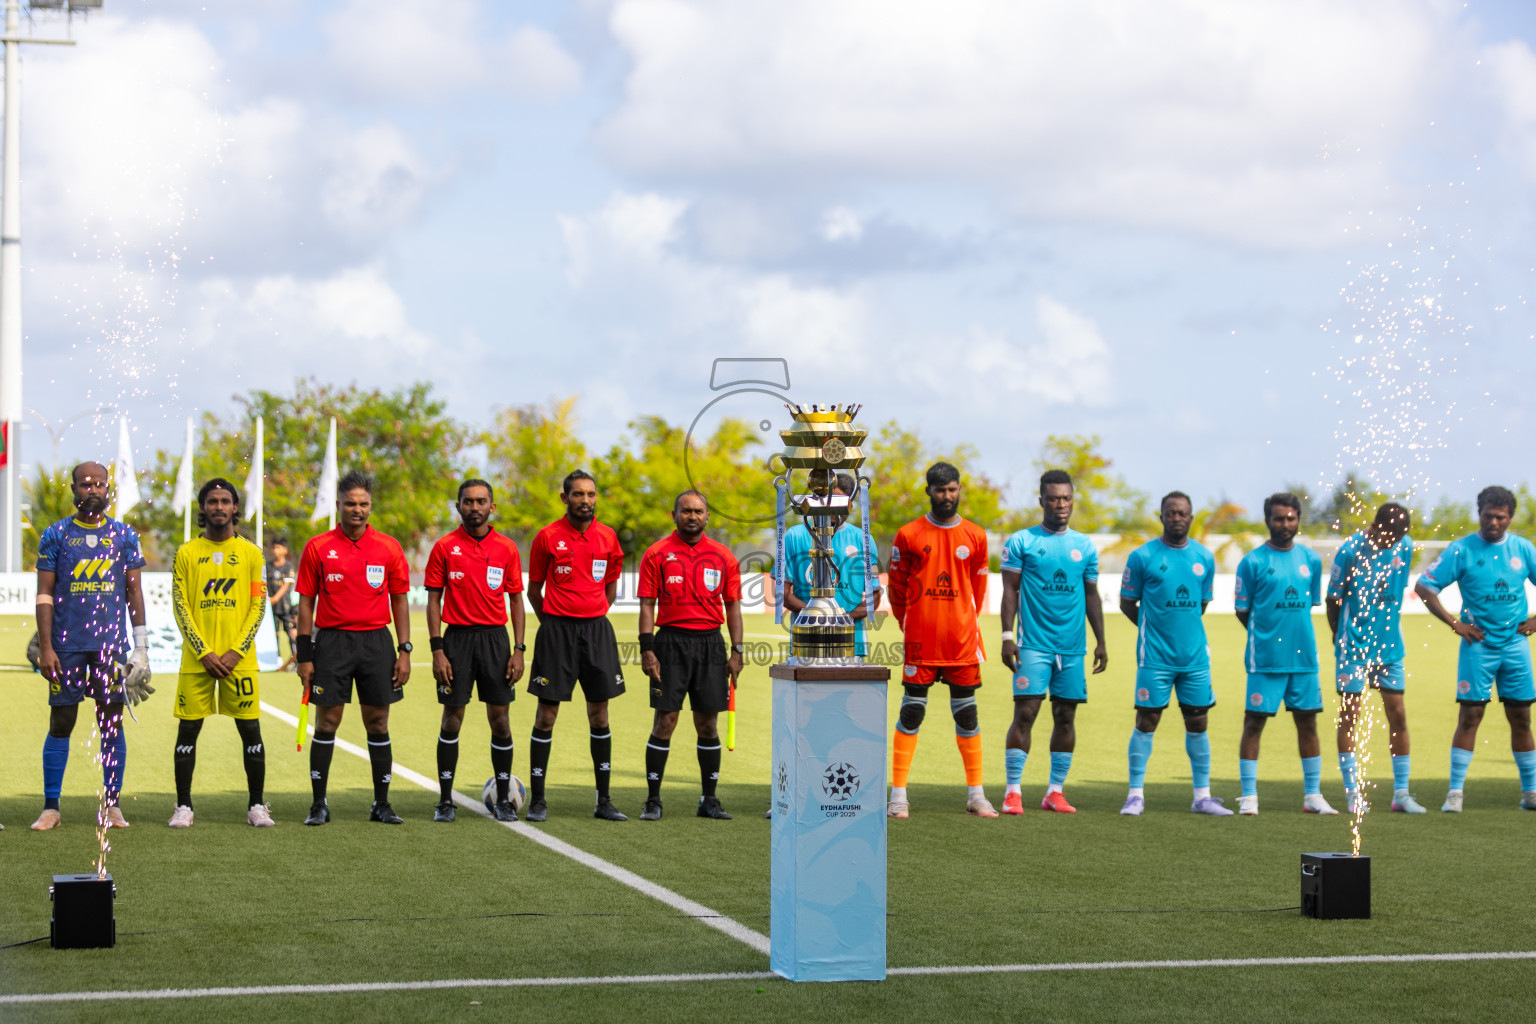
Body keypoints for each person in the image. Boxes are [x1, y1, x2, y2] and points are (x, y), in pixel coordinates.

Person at [30, 461, 152, 831]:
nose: (93, 490)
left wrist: (141, 647)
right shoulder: (56, 534)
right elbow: (44, 594)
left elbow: (134, 592)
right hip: (66, 646)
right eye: (85, 484)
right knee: (61, 721)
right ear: (73, 490)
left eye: (99, 484)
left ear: (107, 489)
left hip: (109, 647)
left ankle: (112, 806)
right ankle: (51, 807)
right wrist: (46, 647)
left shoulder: (124, 535)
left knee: (111, 723)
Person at [294, 470, 412, 825]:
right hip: (332, 642)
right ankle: (318, 804)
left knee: (377, 722)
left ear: (370, 506)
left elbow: (400, 600)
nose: (357, 510)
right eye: (350, 504)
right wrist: (304, 655)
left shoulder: (388, 547)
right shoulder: (318, 547)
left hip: (377, 642)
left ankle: (381, 804)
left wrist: (405, 650)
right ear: (338, 505)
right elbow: (305, 603)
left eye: (363, 504)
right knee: (328, 721)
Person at [1414, 485, 1536, 812]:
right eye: (1488, 515)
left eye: (1501, 517)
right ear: (1479, 513)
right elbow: (1424, 587)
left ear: (1510, 518)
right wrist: (1455, 623)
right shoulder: (1461, 550)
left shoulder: (1523, 549)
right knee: (1470, 716)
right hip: (1478, 646)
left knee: (1522, 718)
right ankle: (1455, 793)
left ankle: (1531, 793)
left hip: (1515, 646)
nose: (1493, 522)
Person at [885, 462, 994, 819]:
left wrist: (960, 619)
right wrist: (909, 623)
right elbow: (897, 588)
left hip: (961, 643)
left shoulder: (976, 536)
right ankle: (898, 796)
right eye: (940, 490)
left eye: (952, 489)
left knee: (967, 715)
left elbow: (977, 591)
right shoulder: (908, 534)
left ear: (959, 489)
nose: (947, 496)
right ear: (928, 491)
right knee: (911, 712)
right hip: (921, 642)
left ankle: (976, 795)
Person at [167, 479, 273, 828]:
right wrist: (203, 652)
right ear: (203, 508)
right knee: (188, 730)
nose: (218, 507)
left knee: (250, 730)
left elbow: (258, 606)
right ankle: (184, 806)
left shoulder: (252, 553)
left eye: (225, 501)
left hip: (239, 661)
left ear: (235, 507)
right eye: (212, 501)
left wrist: (236, 651)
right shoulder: (186, 553)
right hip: (197, 661)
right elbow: (181, 607)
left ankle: (256, 806)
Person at [1000, 470, 1106, 815]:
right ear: (1041, 501)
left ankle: (1054, 792)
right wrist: (1007, 636)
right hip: (1033, 645)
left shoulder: (1084, 546)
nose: (1061, 504)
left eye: (1067, 498)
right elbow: (1010, 591)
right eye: (1054, 498)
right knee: (1026, 713)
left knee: (1065, 716)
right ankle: (1013, 792)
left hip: (1072, 648)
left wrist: (1101, 641)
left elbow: (1091, 595)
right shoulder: (1023, 541)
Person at [1116, 491, 1229, 816]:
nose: (1176, 518)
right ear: (1161, 516)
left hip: (1194, 660)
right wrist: (1152, 628)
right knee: (1147, 720)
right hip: (1155, 658)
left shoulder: (1204, 557)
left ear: (1190, 517)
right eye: (1170, 513)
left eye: (1182, 513)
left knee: (1198, 722)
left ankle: (1202, 798)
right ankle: (1135, 796)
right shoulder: (1142, 556)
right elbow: (1127, 603)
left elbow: (1201, 605)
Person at [526, 471, 629, 822]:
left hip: (597, 632)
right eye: (578, 494)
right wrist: (554, 624)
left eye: (590, 494)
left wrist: (592, 614)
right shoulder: (547, 537)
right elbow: (534, 591)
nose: (585, 500)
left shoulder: (608, 537)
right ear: (565, 498)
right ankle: (538, 800)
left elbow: (610, 587)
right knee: (546, 715)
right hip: (556, 632)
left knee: (599, 715)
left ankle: (604, 801)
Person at [636, 490, 744, 821]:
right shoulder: (657, 553)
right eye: (686, 511)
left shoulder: (723, 556)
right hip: (670, 644)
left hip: (711, 644)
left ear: (707, 516)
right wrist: (647, 649)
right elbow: (647, 604)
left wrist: (737, 650)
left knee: (707, 724)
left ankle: (709, 800)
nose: (692, 516)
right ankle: (653, 800)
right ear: (674, 515)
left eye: (698, 511)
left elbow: (733, 606)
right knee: (665, 721)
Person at [425, 479, 527, 823]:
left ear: (491, 507)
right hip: (456, 641)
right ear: (458, 507)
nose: (474, 507)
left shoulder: (507, 548)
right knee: (452, 718)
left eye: (481, 501)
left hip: (496, 641)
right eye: (468, 501)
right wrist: (437, 650)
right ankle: (445, 801)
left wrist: (518, 649)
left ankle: (503, 800)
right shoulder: (444, 547)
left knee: (500, 719)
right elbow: (434, 599)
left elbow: (516, 600)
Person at [1234, 493, 1335, 816]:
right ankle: (1249, 796)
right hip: (1265, 660)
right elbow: (1242, 611)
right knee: (1254, 724)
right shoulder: (1252, 562)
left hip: (1304, 660)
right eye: (1279, 518)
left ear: (1298, 520)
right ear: (1268, 520)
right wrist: (1264, 635)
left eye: (1291, 518)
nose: (1285, 524)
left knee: (1308, 724)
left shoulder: (1311, 560)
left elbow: (1310, 605)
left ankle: (1313, 796)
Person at [1328, 502, 1424, 814]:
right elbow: (1333, 599)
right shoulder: (1350, 551)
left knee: (1398, 715)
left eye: (1398, 536)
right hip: (1354, 649)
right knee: (1350, 716)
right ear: (1376, 526)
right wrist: (1338, 635)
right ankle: (1352, 794)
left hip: (1389, 648)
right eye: (1389, 536)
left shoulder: (1404, 546)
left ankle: (1401, 794)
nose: (1393, 542)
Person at [782, 471, 882, 658]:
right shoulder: (795, 535)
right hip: (807, 643)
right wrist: (818, 619)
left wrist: (842, 621)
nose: (831, 506)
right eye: (828, 499)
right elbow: (783, 593)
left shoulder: (863, 539)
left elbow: (874, 598)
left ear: (850, 503)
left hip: (851, 644)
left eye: (838, 501)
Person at [267, 536, 300, 672]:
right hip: (271, 608)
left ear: (285, 550)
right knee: (274, 634)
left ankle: (295, 659)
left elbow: (286, 587)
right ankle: (277, 660)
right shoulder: (268, 566)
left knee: (291, 633)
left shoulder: (288, 567)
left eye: (279, 548)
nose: (276, 550)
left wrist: (274, 599)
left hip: (286, 608)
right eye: (274, 548)